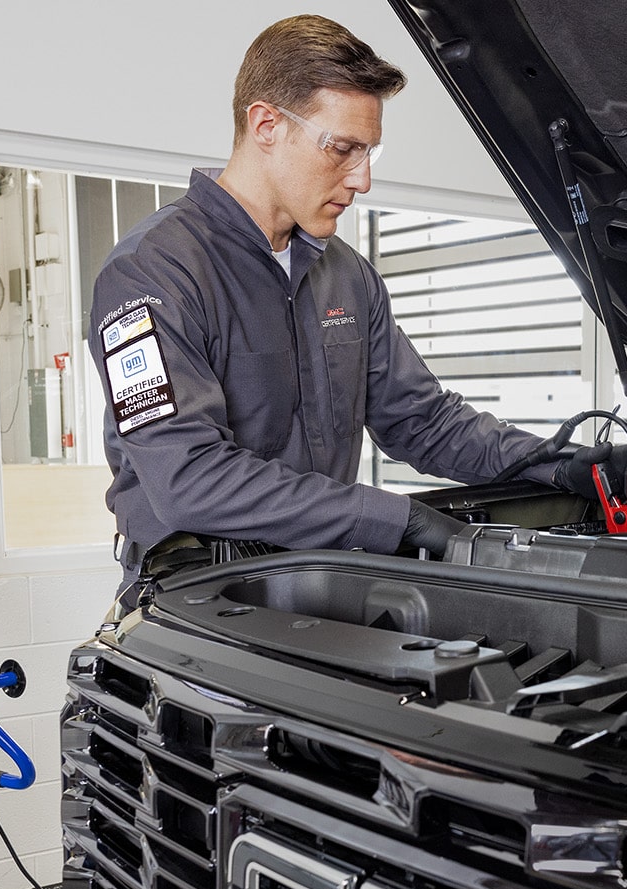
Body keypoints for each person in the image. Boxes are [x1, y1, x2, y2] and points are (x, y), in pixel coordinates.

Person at [88, 15, 561, 611]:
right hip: (198, 605)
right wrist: (393, 519)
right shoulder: (152, 273)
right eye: (342, 149)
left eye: (370, 152)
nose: (361, 178)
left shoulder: (349, 275)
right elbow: (189, 478)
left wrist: (553, 462)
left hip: (319, 588)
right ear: (265, 125)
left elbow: (423, 422)